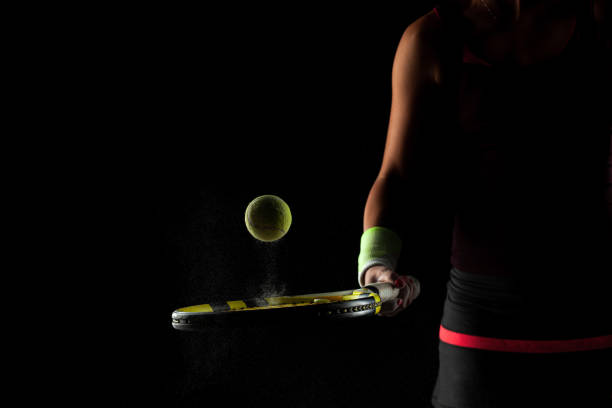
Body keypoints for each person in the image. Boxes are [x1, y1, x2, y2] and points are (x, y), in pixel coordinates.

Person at [356, 0, 611, 406]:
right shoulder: (430, 39)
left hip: (594, 316)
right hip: (478, 326)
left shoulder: (596, 18)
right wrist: (377, 263)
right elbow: (396, 175)